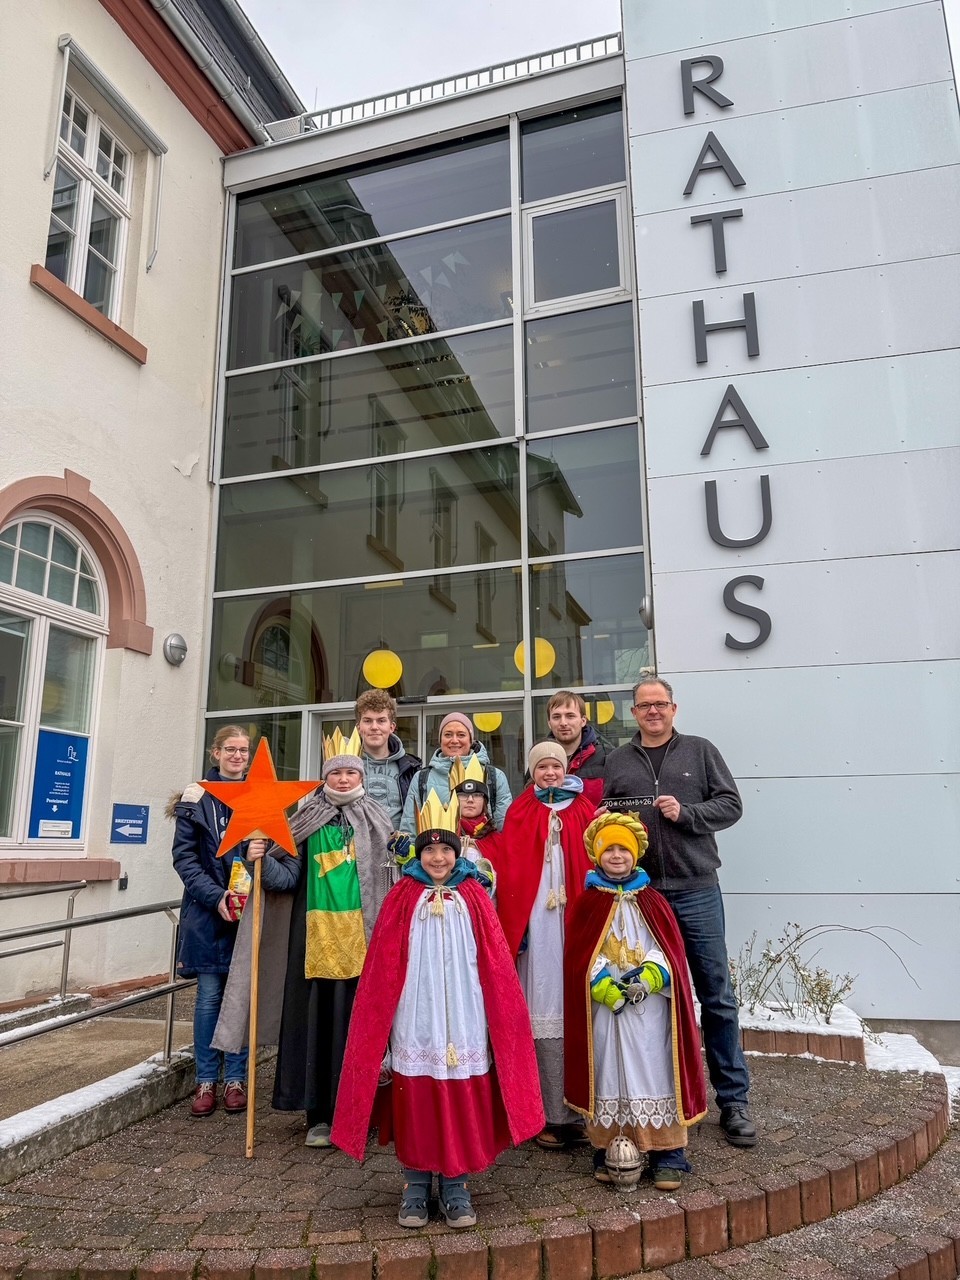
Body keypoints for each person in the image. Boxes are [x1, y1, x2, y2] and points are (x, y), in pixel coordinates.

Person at [331, 789, 544, 1230]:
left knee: (463, 1090)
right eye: (430, 849)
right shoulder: (402, 897)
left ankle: (455, 1184)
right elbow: (383, 966)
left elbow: (496, 961)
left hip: (464, 1012)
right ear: (420, 853)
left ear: (456, 851)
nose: (438, 858)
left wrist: (492, 1013)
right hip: (417, 1013)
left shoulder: (474, 896)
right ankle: (414, 1184)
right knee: (417, 1093)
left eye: (446, 848)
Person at [211, 727, 395, 1148]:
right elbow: (287, 877)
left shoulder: (378, 820)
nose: (344, 780)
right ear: (324, 778)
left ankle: (360, 1111)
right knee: (317, 1029)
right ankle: (320, 1115)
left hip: (363, 941)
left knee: (357, 1028)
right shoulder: (304, 818)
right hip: (311, 941)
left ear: (361, 776)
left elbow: (389, 878)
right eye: (336, 774)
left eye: (351, 772)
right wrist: (259, 860)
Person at [602, 675, 755, 1148]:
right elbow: (609, 815)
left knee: (716, 994)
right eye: (644, 705)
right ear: (634, 712)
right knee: (653, 996)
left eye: (660, 704)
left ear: (674, 708)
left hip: (695, 889)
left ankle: (734, 1101)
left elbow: (731, 806)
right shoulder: (619, 760)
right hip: (642, 894)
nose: (653, 712)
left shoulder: (700, 750)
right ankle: (667, 1098)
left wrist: (686, 815)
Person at [564, 812, 707, 1190]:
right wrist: (602, 984)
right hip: (606, 1011)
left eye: (622, 850)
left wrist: (649, 976)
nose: (616, 856)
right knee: (607, 1071)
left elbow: (670, 952)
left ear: (635, 855)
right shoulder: (586, 904)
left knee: (654, 1068)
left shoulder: (654, 902)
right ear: (596, 854)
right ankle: (607, 1145)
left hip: (649, 1010)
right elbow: (578, 956)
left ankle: (667, 1152)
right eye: (608, 849)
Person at [492, 741, 596, 1149]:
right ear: (532, 772)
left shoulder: (586, 809)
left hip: (573, 924)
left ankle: (580, 1110)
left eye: (556, 765)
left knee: (577, 1007)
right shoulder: (520, 810)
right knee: (541, 1009)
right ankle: (543, 1113)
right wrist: (518, 928)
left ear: (565, 768)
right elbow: (510, 870)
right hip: (536, 927)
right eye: (542, 767)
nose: (550, 773)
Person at [169, 725, 253, 1117]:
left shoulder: (259, 795)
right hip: (207, 913)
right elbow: (185, 858)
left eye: (244, 750)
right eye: (231, 749)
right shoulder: (196, 799)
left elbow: (275, 851)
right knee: (208, 1000)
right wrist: (216, 896)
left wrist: (258, 856)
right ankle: (206, 1080)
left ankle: (235, 1078)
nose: (238, 756)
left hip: (247, 911)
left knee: (240, 1000)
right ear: (215, 753)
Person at [398, 711, 512, 836]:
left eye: (461, 735)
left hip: (484, 854)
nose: (454, 740)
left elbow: (505, 828)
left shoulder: (495, 776)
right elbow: (410, 828)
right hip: (436, 854)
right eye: (448, 735)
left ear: (471, 739)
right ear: (440, 740)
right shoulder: (421, 778)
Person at [354, 690, 421, 830]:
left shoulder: (411, 769)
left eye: (381, 720)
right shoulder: (343, 766)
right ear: (358, 727)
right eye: (367, 721)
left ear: (392, 727)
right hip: (356, 848)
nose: (374, 727)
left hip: (399, 849)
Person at [543, 690, 609, 806]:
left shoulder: (606, 757)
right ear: (549, 723)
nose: (563, 723)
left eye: (570, 716)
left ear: (583, 721)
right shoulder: (540, 759)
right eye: (556, 717)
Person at [450, 753, 502, 876]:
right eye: (462, 795)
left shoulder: (497, 840)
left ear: (484, 802)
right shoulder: (445, 834)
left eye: (477, 795)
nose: (470, 800)